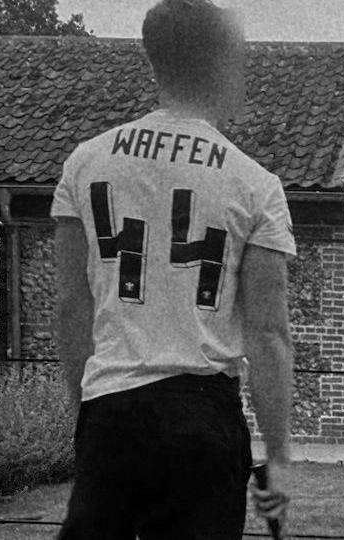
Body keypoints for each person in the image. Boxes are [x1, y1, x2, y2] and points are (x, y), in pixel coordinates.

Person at [52, 1, 295, 537]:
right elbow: (269, 332)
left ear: (154, 61)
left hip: (111, 408)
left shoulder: (85, 162)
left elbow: (72, 304)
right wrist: (277, 454)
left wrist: (88, 410)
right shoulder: (255, 184)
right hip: (202, 415)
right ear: (218, 65)